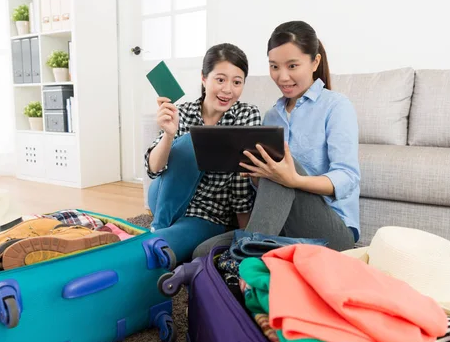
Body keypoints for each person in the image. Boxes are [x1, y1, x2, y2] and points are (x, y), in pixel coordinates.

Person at [194, 21, 359, 256]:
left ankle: (245, 260)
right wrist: (255, 175)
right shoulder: (272, 115)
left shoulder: (336, 106)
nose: (282, 77)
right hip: (284, 228)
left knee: (277, 167)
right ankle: (255, 256)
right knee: (202, 252)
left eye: (292, 66)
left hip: (333, 233)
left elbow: (347, 177)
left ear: (315, 62)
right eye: (274, 66)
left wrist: (293, 180)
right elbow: (270, 194)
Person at [145, 43, 261, 262]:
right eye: (220, 79)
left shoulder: (247, 115)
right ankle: (159, 225)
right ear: (204, 78)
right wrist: (169, 135)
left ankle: (157, 232)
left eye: (237, 82)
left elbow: (241, 182)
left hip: (206, 214)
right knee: (189, 141)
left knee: (155, 249)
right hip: (164, 197)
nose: (228, 89)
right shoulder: (184, 111)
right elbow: (154, 169)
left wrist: (245, 237)